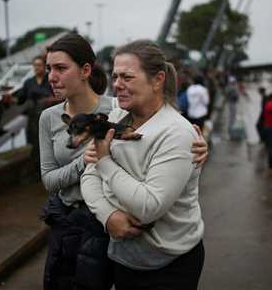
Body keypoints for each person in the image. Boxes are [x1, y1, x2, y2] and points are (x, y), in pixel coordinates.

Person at [38, 34, 208, 289]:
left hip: (166, 260)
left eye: (126, 77)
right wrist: (109, 216)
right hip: (121, 254)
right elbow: (89, 175)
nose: (117, 84)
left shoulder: (168, 129)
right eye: (115, 76)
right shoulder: (119, 114)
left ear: (158, 79)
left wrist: (104, 161)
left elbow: (147, 205)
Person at [3, 55, 61, 177]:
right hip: (34, 117)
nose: (36, 68)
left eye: (39, 65)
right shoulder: (28, 82)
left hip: (50, 116)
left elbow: (61, 97)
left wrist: (51, 100)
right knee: (36, 144)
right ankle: (39, 172)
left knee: (51, 143)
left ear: (45, 67)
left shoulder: (51, 80)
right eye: (34, 65)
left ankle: (52, 170)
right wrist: (9, 98)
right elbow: (20, 100)